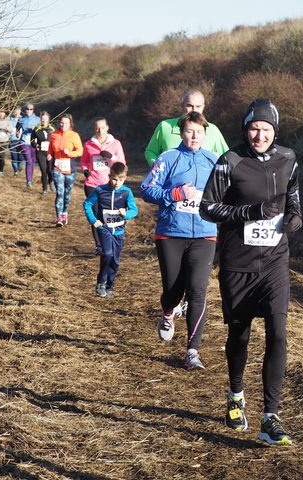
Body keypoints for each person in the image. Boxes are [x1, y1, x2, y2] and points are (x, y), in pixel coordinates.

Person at [200, 99, 302, 445]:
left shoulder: (288, 158)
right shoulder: (230, 161)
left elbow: (295, 201)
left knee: (278, 332)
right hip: (238, 264)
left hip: (275, 261)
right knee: (240, 334)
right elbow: (208, 208)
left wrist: (294, 218)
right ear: (246, 129)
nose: (260, 135)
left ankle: (271, 417)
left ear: (275, 132)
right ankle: (235, 396)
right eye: (254, 128)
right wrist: (252, 211)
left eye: (266, 129)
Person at [141, 111, 218, 370]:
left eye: (199, 132)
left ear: (205, 134)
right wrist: (175, 193)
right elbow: (147, 189)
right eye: (189, 131)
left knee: (197, 290)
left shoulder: (214, 161)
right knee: (173, 290)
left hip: (205, 234)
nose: (194, 136)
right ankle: (167, 312)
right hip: (171, 232)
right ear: (181, 133)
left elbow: (228, 192)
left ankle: (192, 351)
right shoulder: (168, 158)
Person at [83, 162, 138, 298]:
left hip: (119, 231)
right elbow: (87, 204)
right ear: (109, 176)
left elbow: (134, 210)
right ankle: (101, 282)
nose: (116, 183)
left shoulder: (126, 192)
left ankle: (109, 286)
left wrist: (127, 214)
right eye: (114, 179)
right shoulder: (100, 190)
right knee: (107, 254)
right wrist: (93, 220)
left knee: (115, 260)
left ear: (125, 178)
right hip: (104, 228)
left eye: (120, 180)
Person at [81, 117, 127, 254]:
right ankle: (99, 245)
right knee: (95, 214)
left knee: (108, 214)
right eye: (97, 128)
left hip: (110, 185)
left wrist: (111, 157)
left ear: (107, 127)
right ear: (94, 129)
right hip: (92, 184)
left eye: (102, 127)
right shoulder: (89, 144)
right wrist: (85, 170)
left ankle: (111, 240)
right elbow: (83, 161)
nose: (100, 130)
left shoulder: (116, 144)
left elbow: (123, 164)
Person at [47, 114, 83, 227]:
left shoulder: (74, 135)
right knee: (59, 192)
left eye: (66, 123)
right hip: (57, 167)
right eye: (62, 122)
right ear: (59, 123)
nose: (63, 125)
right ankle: (59, 218)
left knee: (67, 194)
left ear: (70, 124)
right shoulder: (54, 134)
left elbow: (80, 151)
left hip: (70, 168)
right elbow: (50, 148)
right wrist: (49, 155)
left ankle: (64, 212)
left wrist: (70, 153)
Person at [17, 103, 41, 189]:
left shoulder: (38, 119)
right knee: (29, 161)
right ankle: (29, 181)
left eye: (31, 109)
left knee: (32, 162)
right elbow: (17, 128)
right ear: (25, 110)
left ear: (33, 110)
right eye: (27, 109)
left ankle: (29, 180)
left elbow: (41, 130)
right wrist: (17, 134)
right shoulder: (21, 119)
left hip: (33, 143)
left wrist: (36, 129)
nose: (29, 111)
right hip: (24, 142)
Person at [31, 111, 54, 195]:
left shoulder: (52, 129)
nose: (44, 120)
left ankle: (51, 181)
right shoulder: (37, 129)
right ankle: (44, 189)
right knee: (43, 171)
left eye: (46, 118)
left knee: (50, 170)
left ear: (48, 119)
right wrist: (35, 145)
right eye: (42, 119)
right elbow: (32, 140)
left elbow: (56, 140)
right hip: (40, 152)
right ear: (40, 119)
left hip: (50, 152)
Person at [8, 107, 25, 176]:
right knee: (14, 157)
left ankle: (20, 163)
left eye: (17, 112)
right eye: (15, 112)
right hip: (12, 140)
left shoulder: (23, 119)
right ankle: (15, 172)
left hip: (21, 141)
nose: (16, 113)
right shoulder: (9, 119)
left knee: (21, 157)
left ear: (20, 112)